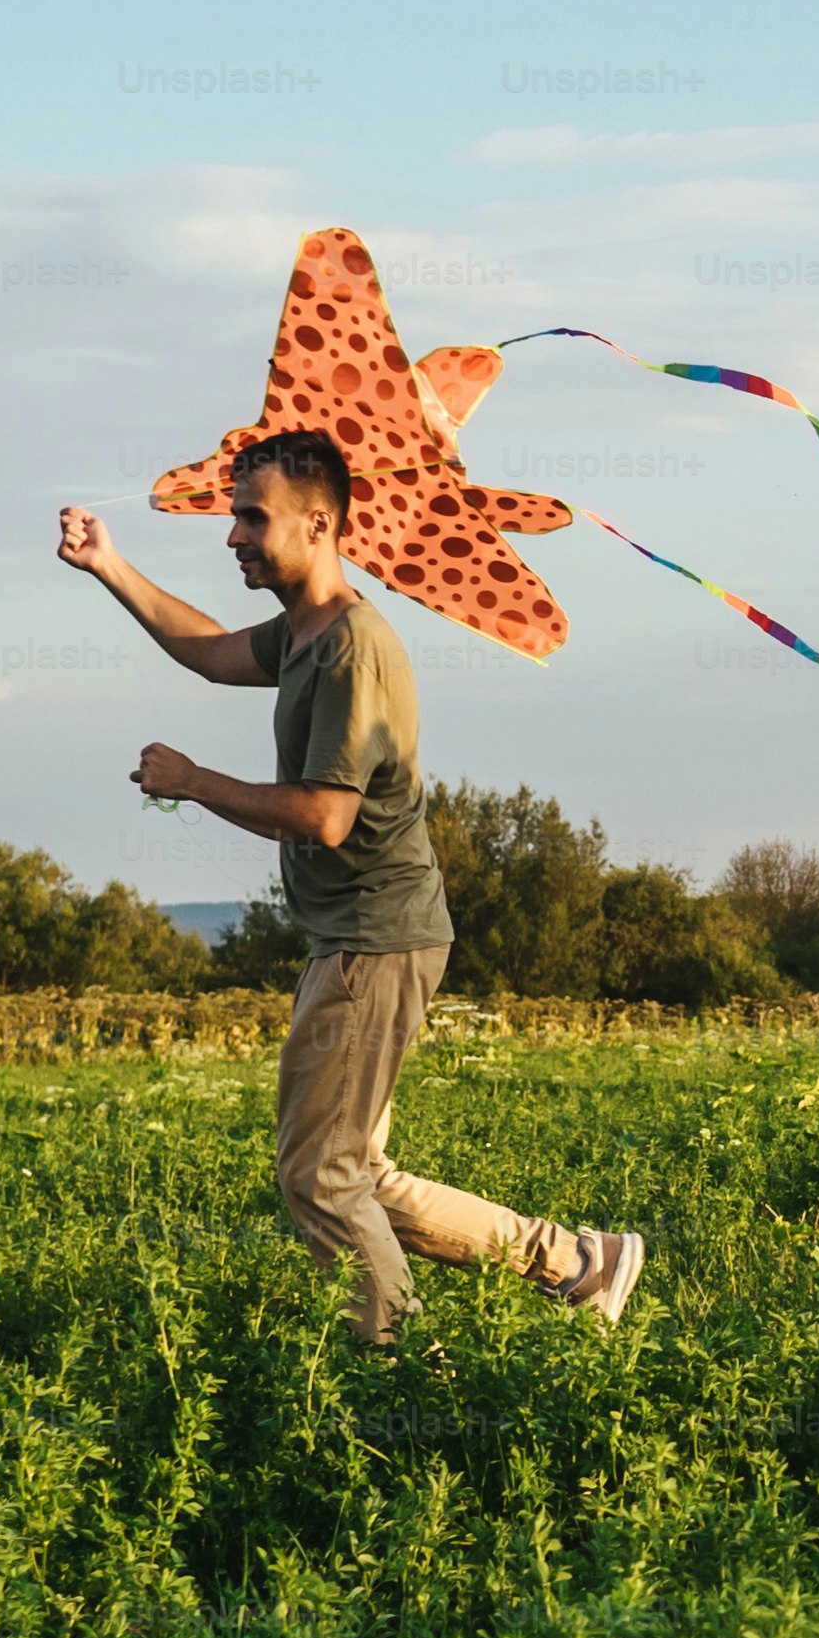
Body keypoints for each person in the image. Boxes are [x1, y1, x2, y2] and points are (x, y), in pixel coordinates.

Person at [56, 430, 645, 1341]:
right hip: (362, 935)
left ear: (319, 522)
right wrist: (108, 564)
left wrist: (193, 781)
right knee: (352, 1167)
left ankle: (397, 1364)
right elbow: (210, 651)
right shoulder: (306, 635)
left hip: (377, 936)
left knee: (318, 1175)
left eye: (252, 517)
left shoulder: (353, 650)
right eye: (233, 516)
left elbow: (327, 814)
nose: (233, 536)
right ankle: (577, 1261)